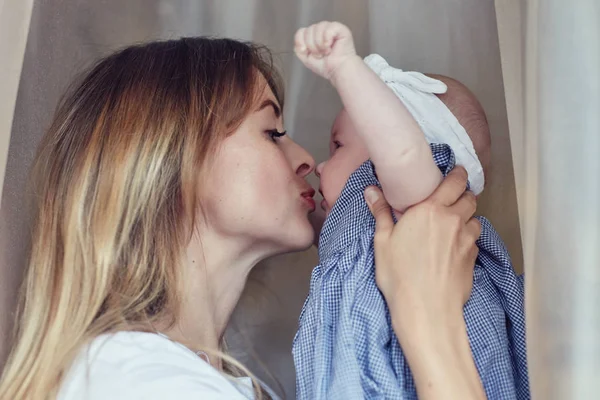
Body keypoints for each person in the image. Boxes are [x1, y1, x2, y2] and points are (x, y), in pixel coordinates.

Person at [0, 36, 483, 400]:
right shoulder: (136, 381)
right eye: (272, 132)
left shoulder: (208, 382)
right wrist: (430, 319)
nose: (304, 158)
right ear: (174, 158)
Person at [292, 21, 528, 399]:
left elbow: (402, 153)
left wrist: (345, 69)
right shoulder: (365, 226)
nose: (320, 164)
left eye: (337, 146)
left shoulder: (415, 201)